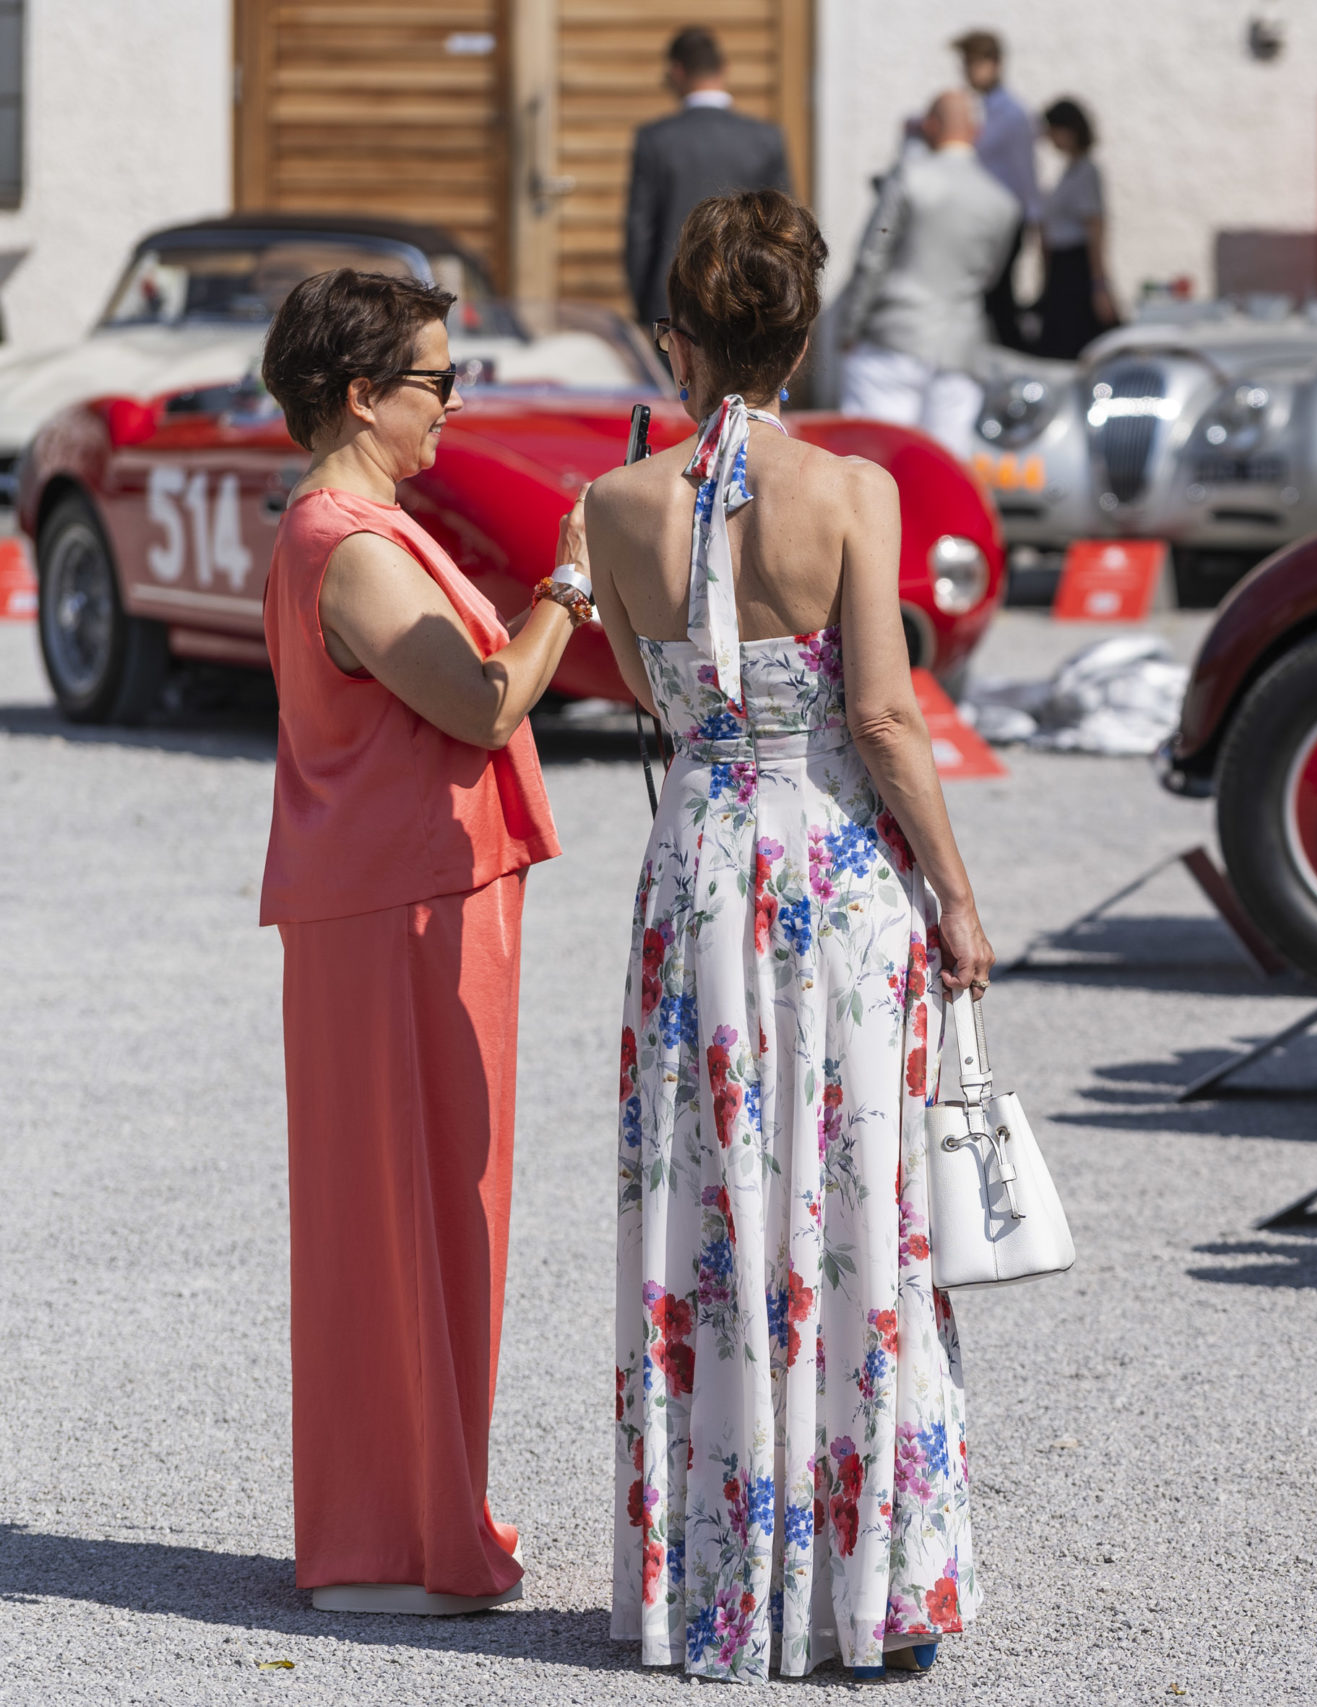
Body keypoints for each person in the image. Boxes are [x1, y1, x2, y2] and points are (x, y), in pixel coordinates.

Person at [588, 189, 994, 1682]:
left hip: (695, 866)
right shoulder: (850, 492)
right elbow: (882, 713)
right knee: (846, 1196)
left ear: (675, 339)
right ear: (808, 331)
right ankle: (858, 1578)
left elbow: (651, 687)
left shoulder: (614, 504)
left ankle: (714, 1580)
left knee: (708, 1206)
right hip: (826, 864)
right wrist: (956, 890)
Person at [257, 269, 585, 1614]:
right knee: (404, 1216)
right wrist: (573, 583)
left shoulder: (365, 523)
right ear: (361, 392)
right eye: (439, 379)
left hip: (415, 897)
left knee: (440, 1214)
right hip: (395, 911)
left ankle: (416, 1515)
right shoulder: (351, 539)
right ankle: (390, 1539)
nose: (456, 401)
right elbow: (481, 699)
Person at [838, 90, 1019, 457]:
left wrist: (849, 327)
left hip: (893, 337)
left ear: (931, 126)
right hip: (959, 348)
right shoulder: (1002, 201)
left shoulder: (907, 177)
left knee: (874, 467)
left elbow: (873, 256)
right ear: (977, 132)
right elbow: (989, 275)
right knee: (945, 471)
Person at [624, 25, 794, 327]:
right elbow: (784, 228)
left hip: (672, 300)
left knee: (674, 376)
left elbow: (640, 232)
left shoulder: (655, 139)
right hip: (747, 298)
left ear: (676, 72)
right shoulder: (765, 138)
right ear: (725, 69)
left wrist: (644, 306)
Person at [954, 29, 1039, 352]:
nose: (967, 71)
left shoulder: (1013, 115)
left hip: (1006, 221)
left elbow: (1024, 172)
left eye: (974, 63)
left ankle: (1016, 363)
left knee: (999, 300)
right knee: (986, 302)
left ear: (995, 64)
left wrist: (1033, 219)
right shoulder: (980, 109)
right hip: (983, 222)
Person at [1032, 98, 1116, 358]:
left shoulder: (1086, 172)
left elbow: (1095, 227)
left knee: (1076, 342)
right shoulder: (1070, 171)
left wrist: (1099, 285)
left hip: (1075, 269)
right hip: (1061, 269)